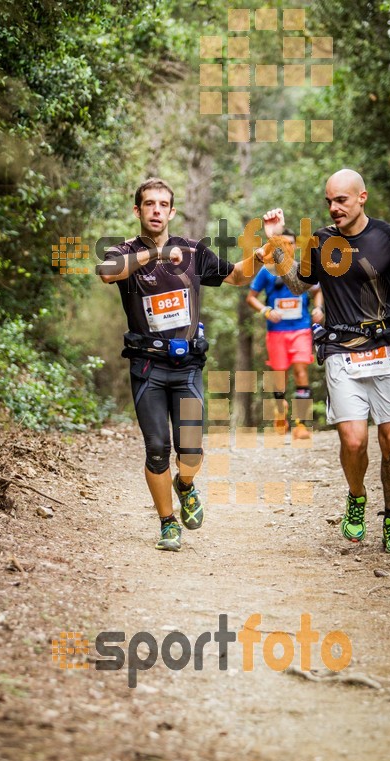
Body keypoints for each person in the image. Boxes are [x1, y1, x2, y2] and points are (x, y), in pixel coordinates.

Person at [97, 177, 284, 552]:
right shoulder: (126, 252)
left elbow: (236, 275)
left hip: (186, 368)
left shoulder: (195, 251)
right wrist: (158, 255)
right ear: (138, 210)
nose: (155, 210)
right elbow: (107, 271)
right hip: (147, 366)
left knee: (192, 451)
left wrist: (266, 250)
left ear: (172, 211)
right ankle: (168, 523)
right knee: (156, 448)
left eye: (162, 204)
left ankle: (185, 485)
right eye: (148, 204)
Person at [263, 169, 390, 552]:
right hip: (341, 349)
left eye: (341, 199)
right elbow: (298, 284)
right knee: (353, 440)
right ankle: (356, 498)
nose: (334, 207)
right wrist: (277, 242)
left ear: (362, 197)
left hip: (387, 347)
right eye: (329, 201)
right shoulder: (322, 241)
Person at [246, 228, 324, 439]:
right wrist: (266, 311)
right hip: (277, 332)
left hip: (300, 329)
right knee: (279, 377)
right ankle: (280, 417)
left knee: (301, 372)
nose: (287, 247)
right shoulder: (267, 271)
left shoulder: (303, 268)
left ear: (295, 246)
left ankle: (302, 424)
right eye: (282, 244)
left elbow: (317, 292)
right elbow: (251, 297)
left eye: (290, 243)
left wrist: (318, 309)